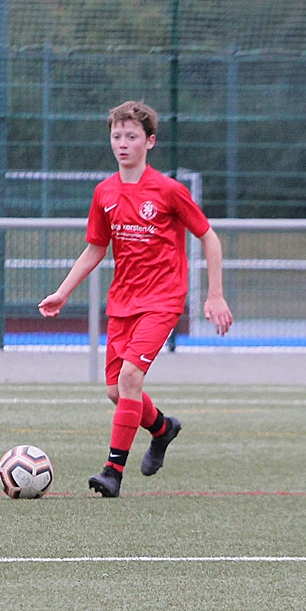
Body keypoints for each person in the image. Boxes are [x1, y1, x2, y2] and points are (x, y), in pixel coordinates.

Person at [40, 100, 233, 497]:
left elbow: (209, 238)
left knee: (130, 378)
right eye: (117, 136)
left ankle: (112, 472)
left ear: (150, 142)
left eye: (132, 136)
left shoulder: (169, 191)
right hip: (123, 301)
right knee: (116, 391)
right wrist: (62, 291)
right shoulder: (104, 192)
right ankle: (162, 429)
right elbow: (96, 248)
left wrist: (215, 295)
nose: (123, 143)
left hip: (162, 299)